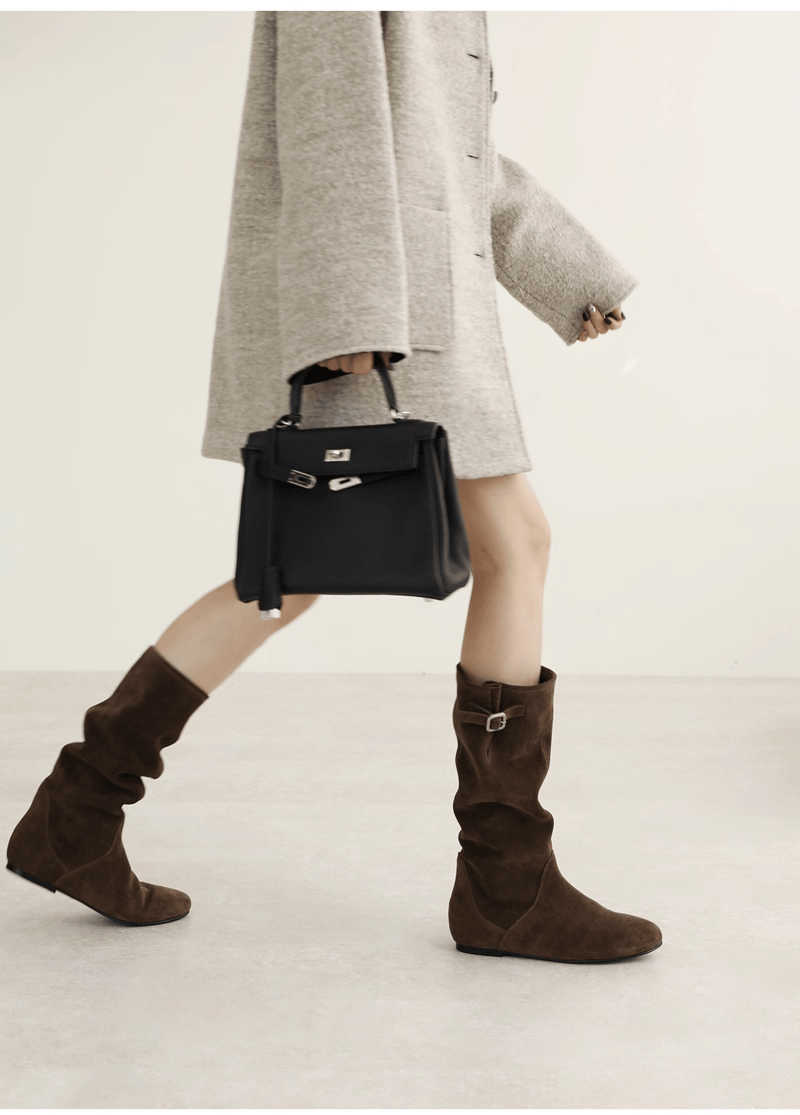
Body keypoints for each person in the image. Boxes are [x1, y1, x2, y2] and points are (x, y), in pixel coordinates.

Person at [6, 12, 661, 963]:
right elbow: (329, 129)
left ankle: (76, 812)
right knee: (503, 546)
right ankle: (506, 883)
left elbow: (456, 155)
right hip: (377, 320)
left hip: (412, 310)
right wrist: (346, 317)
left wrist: (572, 277)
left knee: (295, 574)